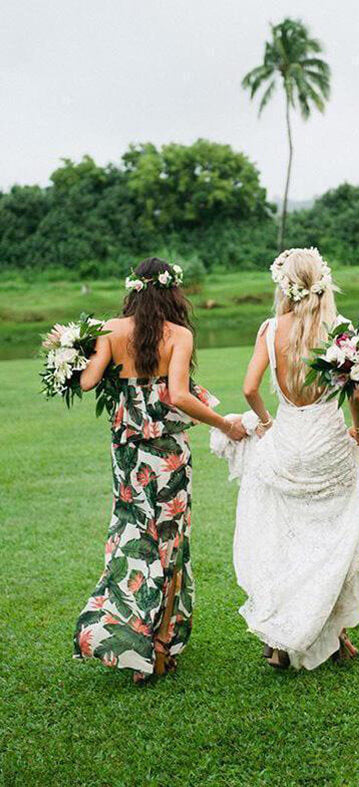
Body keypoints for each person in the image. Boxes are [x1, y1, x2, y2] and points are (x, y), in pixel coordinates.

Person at [72, 257, 246, 683]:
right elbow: (181, 396)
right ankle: (162, 646)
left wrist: (81, 349)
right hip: (167, 453)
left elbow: (87, 383)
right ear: (173, 292)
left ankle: (132, 638)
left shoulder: (111, 330)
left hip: (128, 452)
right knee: (170, 543)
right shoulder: (179, 335)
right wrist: (224, 424)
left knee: (132, 534)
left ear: (133, 290)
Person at [224, 247, 359, 670]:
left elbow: (250, 388)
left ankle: (280, 641)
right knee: (332, 541)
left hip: (288, 441)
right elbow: (357, 393)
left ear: (283, 286)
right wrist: (357, 431)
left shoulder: (271, 330)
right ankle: (335, 633)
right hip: (328, 441)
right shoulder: (340, 329)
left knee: (285, 542)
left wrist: (266, 421)